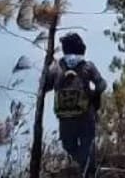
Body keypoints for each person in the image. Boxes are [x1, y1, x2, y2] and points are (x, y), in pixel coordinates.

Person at [42, 32, 106, 177]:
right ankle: (89, 171)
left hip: (65, 117)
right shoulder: (87, 66)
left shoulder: (57, 67)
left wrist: (46, 69)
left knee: (69, 145)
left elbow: (45, 87)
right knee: (88, 145)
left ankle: (84, 167)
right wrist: (94, 95)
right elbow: (102, 85)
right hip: (86, 114)